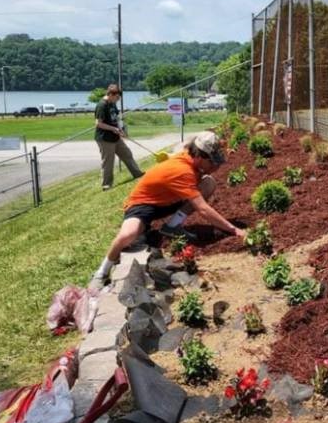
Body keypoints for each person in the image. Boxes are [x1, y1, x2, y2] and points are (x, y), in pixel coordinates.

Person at [92, 132, 247, 284]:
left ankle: (172, 226)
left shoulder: (190, 154)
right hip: (143, 204)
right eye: (213, 162)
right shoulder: (183, 172)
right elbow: (203, 209)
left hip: (167, 200)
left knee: (208, 183)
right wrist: (234, 230)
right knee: (129, 235)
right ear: (199, 157)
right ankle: (102, 272)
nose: (216, 166)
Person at [95, 84, 143, 190]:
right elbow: (98, 123)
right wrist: (113, 129)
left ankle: (138, 174)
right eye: (117, 97)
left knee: (127, 154)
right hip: (105, 138)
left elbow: (116, 118)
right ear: (111, 94)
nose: (118, 100)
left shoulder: (112, 103)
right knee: (108, 161)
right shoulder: (102, 105)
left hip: (115, 136)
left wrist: (122, 128)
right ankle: (106, 184)